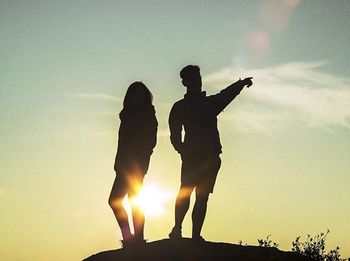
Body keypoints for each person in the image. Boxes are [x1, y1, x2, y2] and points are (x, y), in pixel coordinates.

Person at [168, 65, 253, 241]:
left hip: (211, 157)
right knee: (185, 192)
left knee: (202, 197)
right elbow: (175, 135)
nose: (197, 81)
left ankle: (195, 235)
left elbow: (225, 95)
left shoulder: (210, 103)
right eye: (192, 78)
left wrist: (241, 84)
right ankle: (177, 229)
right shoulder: (180, 107)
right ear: (185, 82)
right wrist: (183, 151)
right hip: (192, 158)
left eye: (198, 77)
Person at [109, 81, 158, 247]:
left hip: (136, 166)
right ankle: (131, 238)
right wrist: (117, 163)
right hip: (123, 165)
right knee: (116, 201)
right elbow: (121, 142)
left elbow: (151, 142)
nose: (137, 97)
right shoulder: (127, 116)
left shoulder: (148, 115)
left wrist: (140, 162)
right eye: (134, 94)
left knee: (133, 201)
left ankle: (137, 239)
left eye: (140, 94)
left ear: (145, 97)